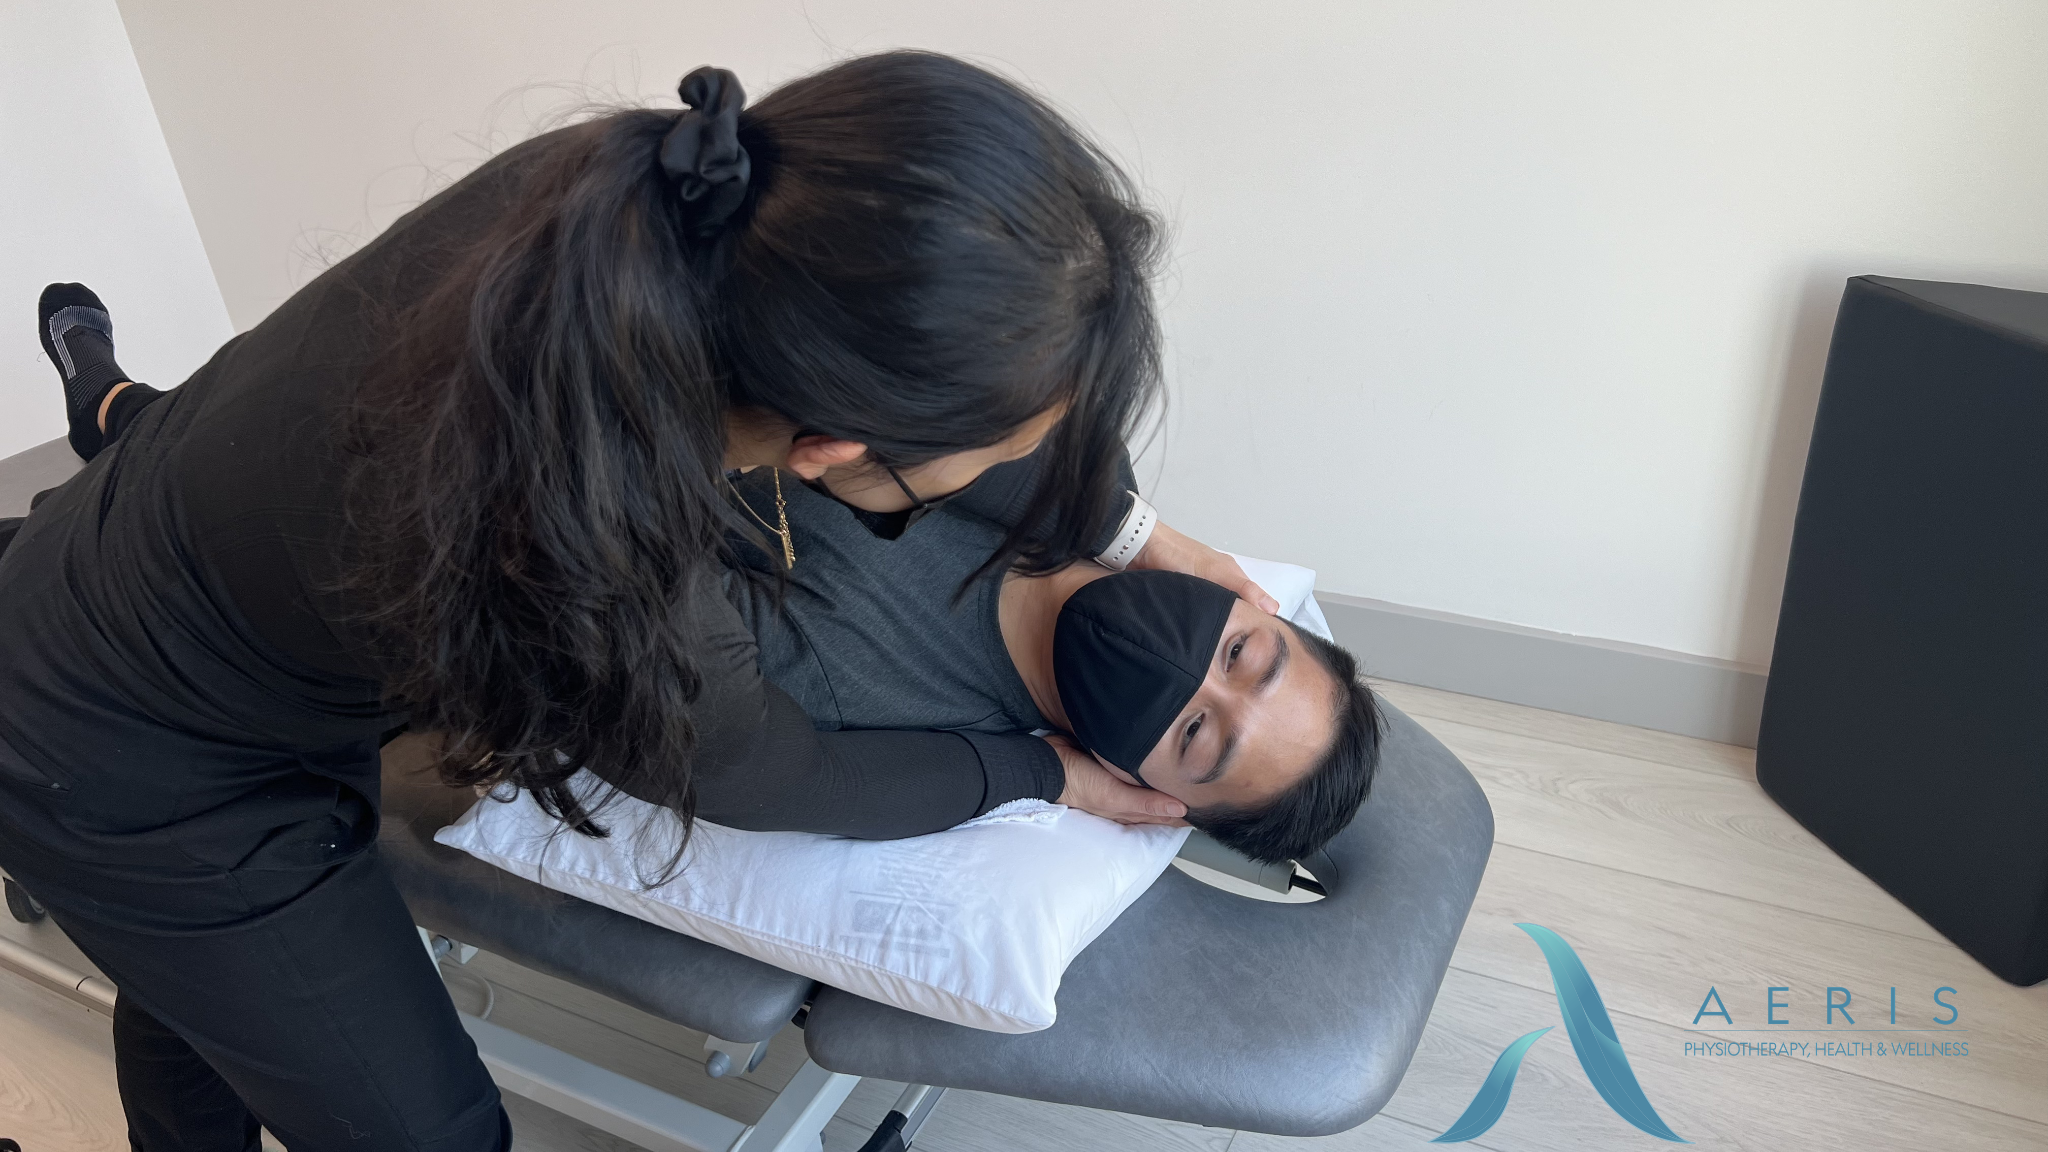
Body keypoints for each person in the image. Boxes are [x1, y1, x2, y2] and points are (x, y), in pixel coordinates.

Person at [0, 52, 1272, 1152]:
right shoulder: (588, 534)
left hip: (178, 565)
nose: (1006, 476)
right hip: (125, 761)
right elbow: (763, 777)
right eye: (990, 454)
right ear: (829, 447)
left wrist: (1137, 531)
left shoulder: (659, 198)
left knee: (198, 989)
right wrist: (1040, 776)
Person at [720, 467, 1382, 862]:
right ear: (1252, 600)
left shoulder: (861, 686)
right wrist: (1138, 532)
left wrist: (1046, 776)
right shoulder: (1087, 477)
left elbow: (764, 776)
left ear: (1144, 790)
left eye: (1195, 732)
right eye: (1240, 653)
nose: (1190, 673)